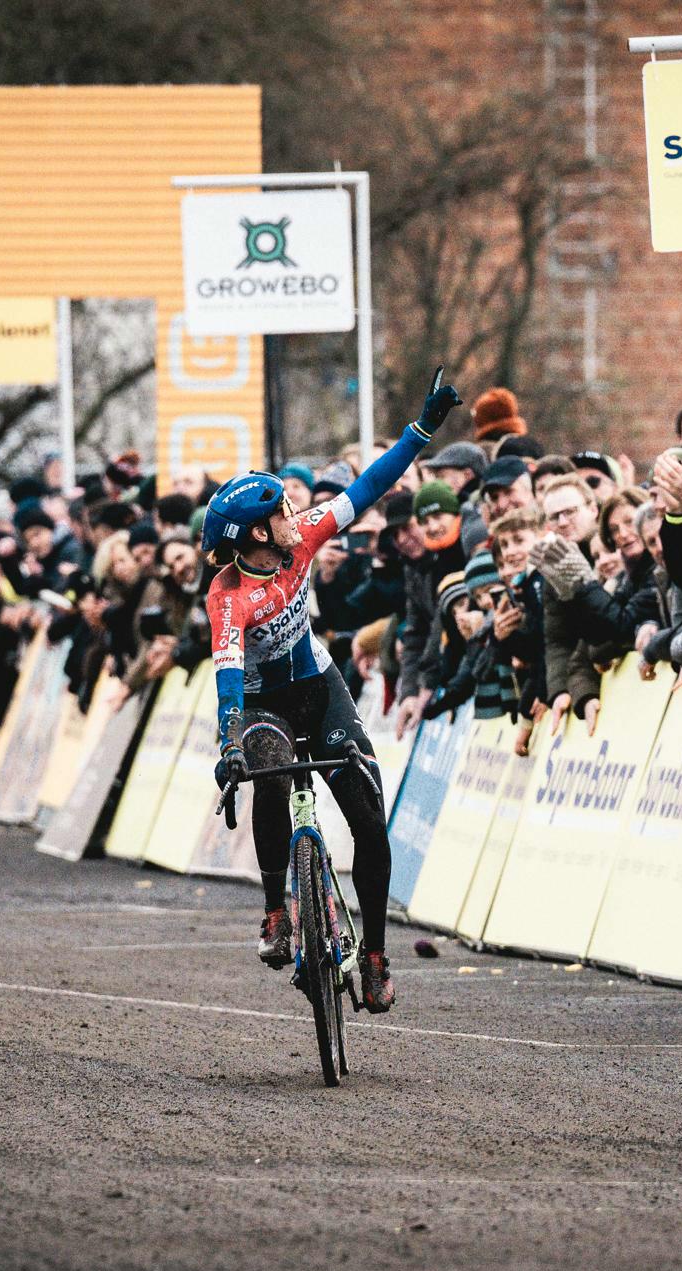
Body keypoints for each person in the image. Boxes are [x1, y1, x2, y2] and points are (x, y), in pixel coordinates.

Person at [203, 373, 464, 1015]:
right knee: (265, 764)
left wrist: (421, 430)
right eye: (279, 512)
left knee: (369, 820)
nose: (294, 515)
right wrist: (229, 738)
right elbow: (229, 675)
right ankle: (275, 910)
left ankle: (374, 954)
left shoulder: (305, 537)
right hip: (264, 705)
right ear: (258, 535)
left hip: (320, 689)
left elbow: (369, 487)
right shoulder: (228, 599)